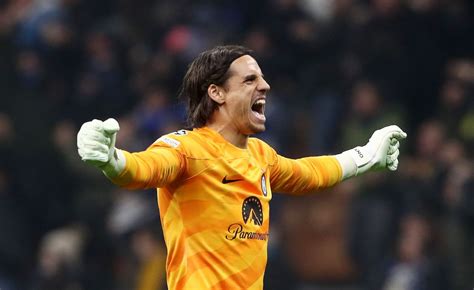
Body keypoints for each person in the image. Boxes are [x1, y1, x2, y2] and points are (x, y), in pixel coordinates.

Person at [77, 45, 407, 289]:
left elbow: (309, 173)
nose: (264, 86)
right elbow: (143, 169)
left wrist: (367, 156)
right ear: (216, 92)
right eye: (250, 80)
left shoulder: (260, 156)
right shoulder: (187, 149)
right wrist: (111, 159)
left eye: (262, 78)